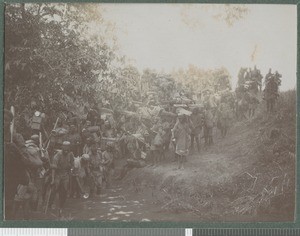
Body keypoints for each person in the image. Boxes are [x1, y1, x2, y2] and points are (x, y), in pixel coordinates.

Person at [49, 141, 74, 217]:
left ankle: (61, 206)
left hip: (66, 174)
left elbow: (72, 164)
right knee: (54, 189)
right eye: (65, 148)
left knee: (65, 191)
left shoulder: (71, 154)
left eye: (68, 148)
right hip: (58, 174)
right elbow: (53, 168)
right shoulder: (58, 155)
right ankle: (50, 203)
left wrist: (71, 170)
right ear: (62, 147)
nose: (66, 150)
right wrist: (53, 179)